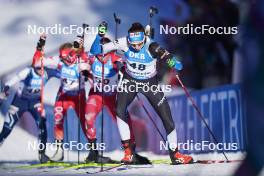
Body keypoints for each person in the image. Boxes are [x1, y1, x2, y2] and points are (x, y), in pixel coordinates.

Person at [102, 22, 193, 164]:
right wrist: (100, 44)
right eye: (134, 44)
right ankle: (128, 152)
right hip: (130, 80)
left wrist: (173, 63)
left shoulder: (153, 46)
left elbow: (170, 59)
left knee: (167, 118)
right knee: (119, 110)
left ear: (144, 38)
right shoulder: (124, 41)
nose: (137, 47)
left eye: (139, 44)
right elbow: (100, 49)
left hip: (149, 84)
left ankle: (175, 154)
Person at [84, 22, 150, 164]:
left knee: (124, 119)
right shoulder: (91, 58)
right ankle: (94, 152)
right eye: (100, 53)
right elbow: (75, 59)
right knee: (88, 117)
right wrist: (83, 71)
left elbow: (129, 62)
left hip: (112, 96)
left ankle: (131, 151)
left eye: (105, 52)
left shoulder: (115, 57)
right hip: (96, 94)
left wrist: (123, 68)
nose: (102, 56)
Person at [32, 36, 90, 161]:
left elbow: (91, 61)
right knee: (58, 119)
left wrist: (83, 52)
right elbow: (37, 62)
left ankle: (94, 151)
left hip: (78, 96)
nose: (66, 61)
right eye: (63, 58)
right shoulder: (58, 60)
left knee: (85, 122)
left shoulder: (80, 59)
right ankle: (59, 151)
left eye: (68, 57)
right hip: (64, 94)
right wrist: (39, 48)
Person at [0, 35, 50, 163]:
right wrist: (6, 89)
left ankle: (42, 155)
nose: (40, 70)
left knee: (42, 126)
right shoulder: (28, 71)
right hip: (19, 102)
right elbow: (12, 80)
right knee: (7, 129)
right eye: (38, 67)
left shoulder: (46, 71)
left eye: (42, 67)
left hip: (35, 102)